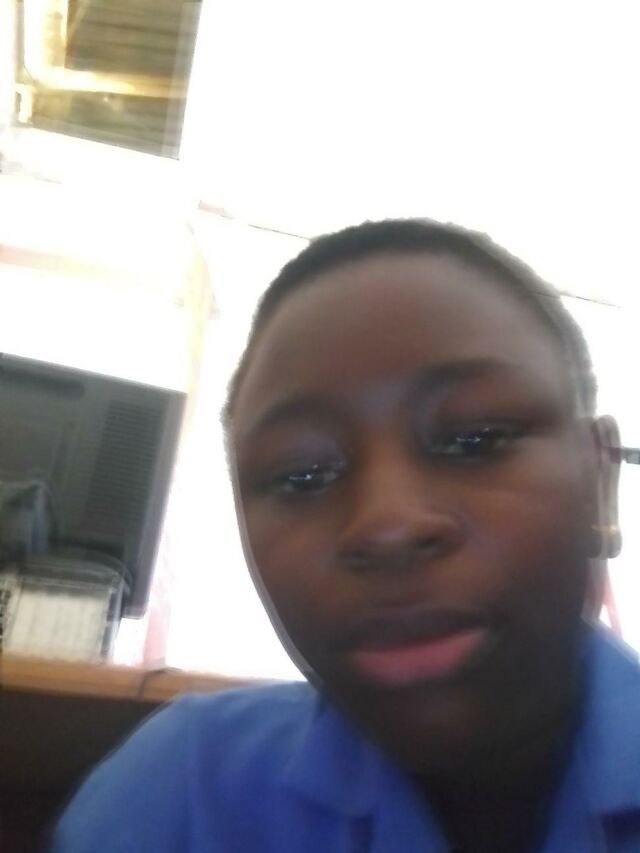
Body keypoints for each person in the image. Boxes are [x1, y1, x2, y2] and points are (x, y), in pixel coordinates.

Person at [50, 219, 640, 853]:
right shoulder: (182, 794)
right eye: (302, 476)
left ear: (599, 481)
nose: (387, 526)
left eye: (476, 440)